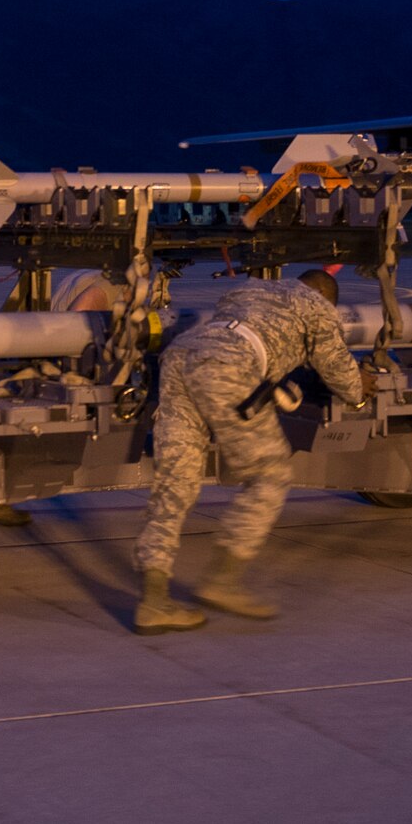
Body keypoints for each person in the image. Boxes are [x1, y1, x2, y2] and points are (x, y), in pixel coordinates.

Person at [132, 268, 370, 634]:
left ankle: (154, 602)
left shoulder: (250, 289)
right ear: (327, 297)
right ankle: (222, 581)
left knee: (175, 484)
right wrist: (359, 386)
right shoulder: (318, 307)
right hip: (228, 365)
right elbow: (340, 373)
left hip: (182, 357)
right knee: (270, 475)